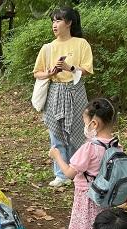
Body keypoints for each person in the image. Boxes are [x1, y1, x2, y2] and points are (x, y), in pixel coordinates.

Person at [49, 98, 119, 229]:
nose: (85, 126)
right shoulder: (115, 144)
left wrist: (57, 156)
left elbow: (70, 173)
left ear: (94, 123)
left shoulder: (89, 148)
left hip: (86, 198)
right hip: (106, 200)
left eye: (85, 122)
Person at [33, 7, 94, 187]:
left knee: (77, 132)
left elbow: (87, 71)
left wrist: (70, 68)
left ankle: (76, 171)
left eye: (59, 20)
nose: (55, 24)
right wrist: (50, 73)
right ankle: (60, 174)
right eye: (53, 21)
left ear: (69, 23)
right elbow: (37, 73)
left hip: (76, 91)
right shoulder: (48, 48)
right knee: (56, 132)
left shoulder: (82, 44)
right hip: (55, 91)